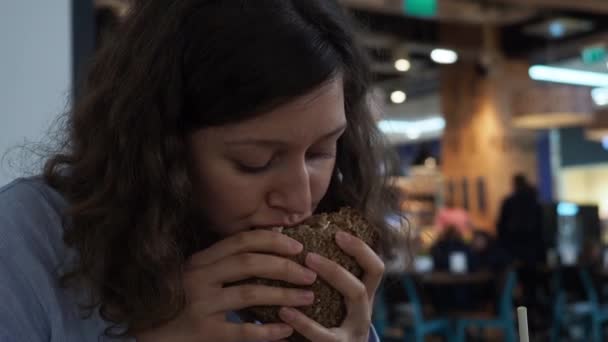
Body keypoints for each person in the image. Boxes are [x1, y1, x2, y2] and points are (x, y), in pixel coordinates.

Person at [0, 1, 401, 341]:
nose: (300, 200)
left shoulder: (318, 285)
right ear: (160, 148)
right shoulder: (27, 238)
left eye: (320, 152)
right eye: (254, 163)